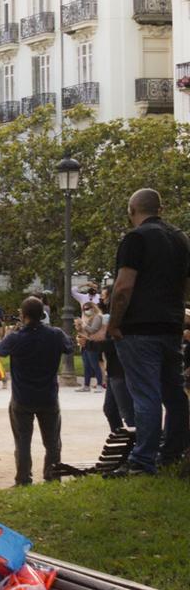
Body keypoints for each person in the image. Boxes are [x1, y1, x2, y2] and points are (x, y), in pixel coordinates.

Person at [104, 188, 190, 475]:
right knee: (174, 393)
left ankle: (142, 460)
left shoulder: (136, 238)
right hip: (171, 325)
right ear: (160, 209)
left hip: (139, 328)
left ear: (132, 210)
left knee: (145, 394)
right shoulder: (180, 238)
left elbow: (124, 286)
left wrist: (114, 323)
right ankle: (173, 452)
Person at [0, 296, 73, 486]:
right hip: (48, 396)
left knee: (22, 441)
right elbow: (69, 347)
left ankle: (23, 478)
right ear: (43, 314)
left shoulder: (16, 337)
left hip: (22, 397)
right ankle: (52, 474)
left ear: (23, 315)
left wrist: (9, 333)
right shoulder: (55, 334)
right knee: (53, 441)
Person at [77, 301, 106, 390]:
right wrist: (79, 326)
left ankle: (100, 384)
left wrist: (83, 325)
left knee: (94, 364)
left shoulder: (97, 317)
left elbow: (93, 330)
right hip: (86, 342)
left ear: (93, 308)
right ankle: (86, 385)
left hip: (94, 343)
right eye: (84, 309)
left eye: (87, 309)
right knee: (86, 365)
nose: (86, 311)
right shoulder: (89, 318)